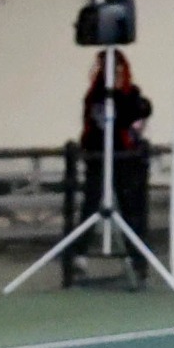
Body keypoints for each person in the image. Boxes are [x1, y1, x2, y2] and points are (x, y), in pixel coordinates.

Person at [72, 49, 152, 271]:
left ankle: (135, 257)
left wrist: (129, 103)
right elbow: (91, 127)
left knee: (130, 208)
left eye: (117, 70)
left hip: (126, 160)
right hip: (98, 159)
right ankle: (79, 254)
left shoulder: (131, 94)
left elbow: (136, 118)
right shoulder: (94, 96)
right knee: (90, 205)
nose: (113, 75)